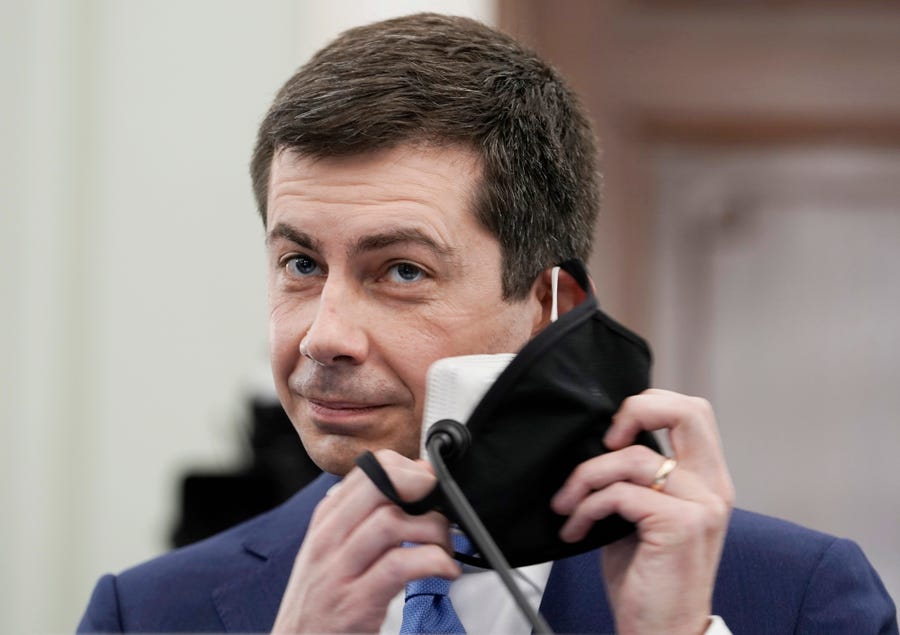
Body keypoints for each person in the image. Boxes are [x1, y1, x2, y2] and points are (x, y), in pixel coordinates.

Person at [77, 13, 897, 634]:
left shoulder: (796, 596)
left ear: (554, 310)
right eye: (300, 265)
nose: (324, 336)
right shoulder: (143, 611)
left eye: (401, 270)